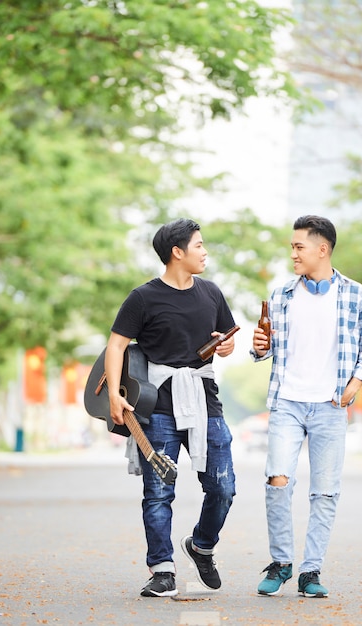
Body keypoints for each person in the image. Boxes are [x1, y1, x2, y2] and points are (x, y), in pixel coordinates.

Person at [104, 218, 237, 598]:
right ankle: (162, 569)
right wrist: (115, 393)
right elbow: (116, 346)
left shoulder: (211, 293)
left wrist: (225, 346)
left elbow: (224, 339)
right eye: (198, 245)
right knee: (159, 491)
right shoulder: (143, 297)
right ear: (177, 252)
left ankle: (201, 546)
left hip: (205, 402)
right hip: (157, 407)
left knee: (223, 487)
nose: (204, 250)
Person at [251, 215, 362, 598]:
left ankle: (310, 570)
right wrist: (260, 348)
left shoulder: (356, 295)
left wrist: (353, 385)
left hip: (329, 406)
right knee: (278, 480)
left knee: (324, 492)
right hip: (287, 402)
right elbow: (266, 346)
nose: (292, 253)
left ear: (322, 249)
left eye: (298, 246)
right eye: (292, 246)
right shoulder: (281, 296)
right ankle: (282, 562)